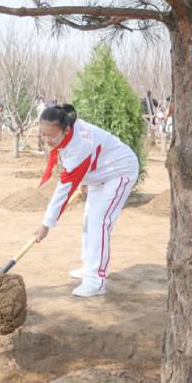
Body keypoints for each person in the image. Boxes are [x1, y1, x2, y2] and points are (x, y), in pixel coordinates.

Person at [34, 104, 138, 297]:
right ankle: (89, 266)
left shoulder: (79, 144)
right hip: (99, 175)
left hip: (120, 171)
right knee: (89, 220)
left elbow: (63, 190)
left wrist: (46, 224)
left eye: (52, 136)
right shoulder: (69, 130)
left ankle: (95, 281)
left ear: (66, 130)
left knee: (99, 222)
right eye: (44, 134)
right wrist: (83, 180)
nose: (47, 140)